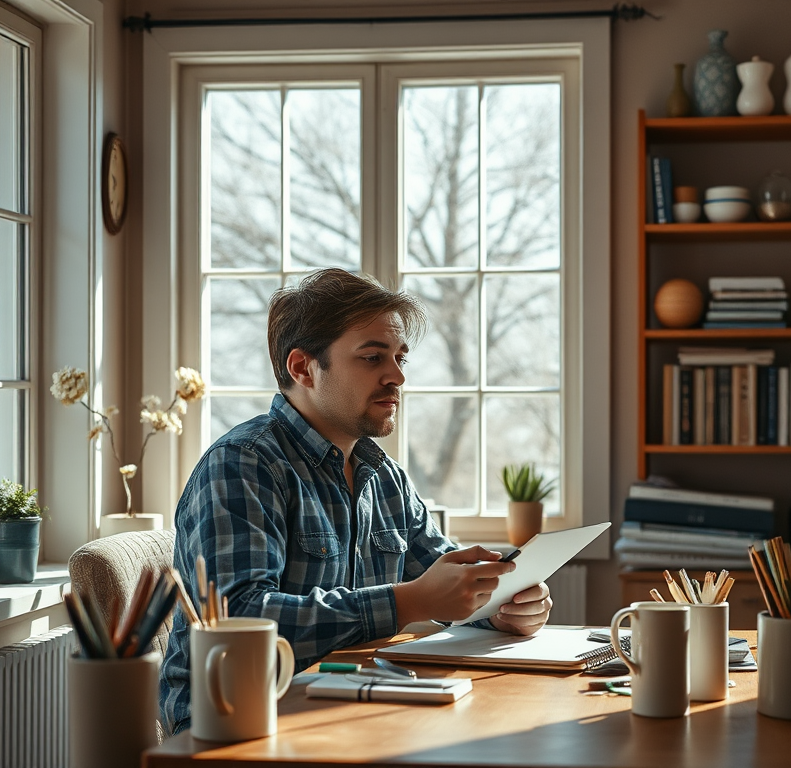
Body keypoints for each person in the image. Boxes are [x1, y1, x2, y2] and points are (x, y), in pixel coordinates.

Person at [159, 268, 551, 735]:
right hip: (239, 721)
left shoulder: (384, 476)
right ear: (303, 367)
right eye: (372, 357)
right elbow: (241, 618)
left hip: (349, 705)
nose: (397, 376)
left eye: (401, 358)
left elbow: (449, 584)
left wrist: (503, 603)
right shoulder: (242, 464)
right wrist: (408, 601)